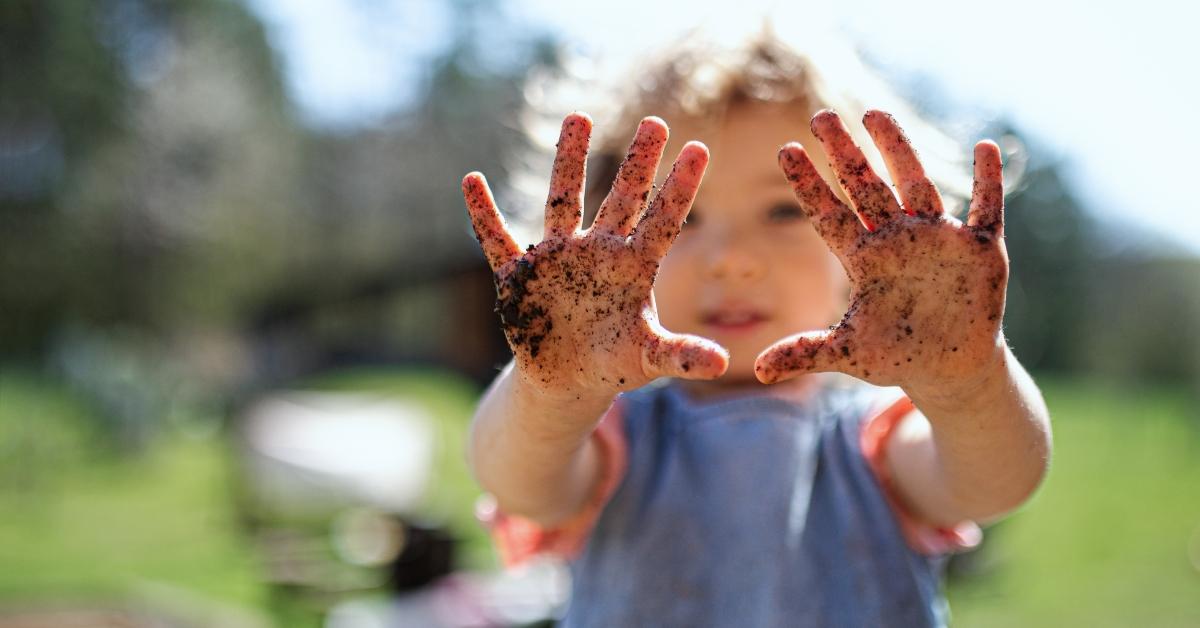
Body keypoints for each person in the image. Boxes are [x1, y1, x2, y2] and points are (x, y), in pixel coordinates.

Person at [460, 28, 1052, 627]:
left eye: (785, 209)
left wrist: (966, 380)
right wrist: (555, 391)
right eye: (681, 216)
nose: (732, 258)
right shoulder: (613, 436)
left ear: (868, 251)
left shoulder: (873, 444)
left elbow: (995, 482)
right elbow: (517, 481)